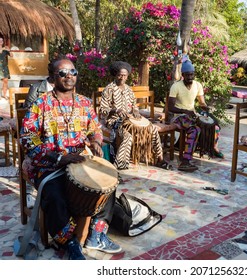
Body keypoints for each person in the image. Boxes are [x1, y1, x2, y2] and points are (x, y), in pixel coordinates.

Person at [20, 58, 121, 260]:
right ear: (52, 77)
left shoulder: (84, 102)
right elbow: (27, 137)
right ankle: (69, 241)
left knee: (107, 184)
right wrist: (58, 157)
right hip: (48, 165)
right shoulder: (41, 104)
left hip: (79, 161)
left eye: (73, 72)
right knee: (54, 194)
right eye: (63, 73)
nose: (69, 77)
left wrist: (95, 142)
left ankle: (97, 234)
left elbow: (95, 129)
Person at [99, 60, 171, 170]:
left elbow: (134, 106)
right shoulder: (109, 89)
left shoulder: (129, 89)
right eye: (119, 75)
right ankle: (120, 165)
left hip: (130, 119)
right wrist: (116, 110)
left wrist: (136, 111)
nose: (122, 78)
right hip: (115, 121)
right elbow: (103, 110)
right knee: (127, 137)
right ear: (115, 74)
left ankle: (159, 159)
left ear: (127, 76)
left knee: (153, 129)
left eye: (124, 75)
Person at [168, 60, 223, 172]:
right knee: (195, 130)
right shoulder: (176, 86)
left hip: (192, 115)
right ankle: (185, 161)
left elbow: (202, 103)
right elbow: (170, 107)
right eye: (187, 75)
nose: (190, 77)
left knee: (215, 126)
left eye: (191, 74)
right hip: (178, 116)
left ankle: (212, 149)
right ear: (183, 75)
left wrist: (205, 107)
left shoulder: (198, 85)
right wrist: (184, 111)